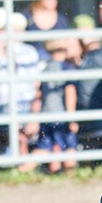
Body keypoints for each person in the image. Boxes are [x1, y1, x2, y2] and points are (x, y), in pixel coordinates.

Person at [0, 8, 42, 160]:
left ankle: (22, 163)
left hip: (27, 108)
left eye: (1, 30)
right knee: (16, 127)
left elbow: (37, 89)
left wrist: (34, 116)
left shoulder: (28, 52)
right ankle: (23, 164)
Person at [27, 38, 78, 173]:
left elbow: (39, 94)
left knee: (44, 147)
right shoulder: (66, 69)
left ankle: (21, 169)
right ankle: (70, 175)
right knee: (69, 147)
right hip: (61, 116)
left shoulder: (45, 69)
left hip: (46, 115)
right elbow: (70, 93)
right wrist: (72, 118)